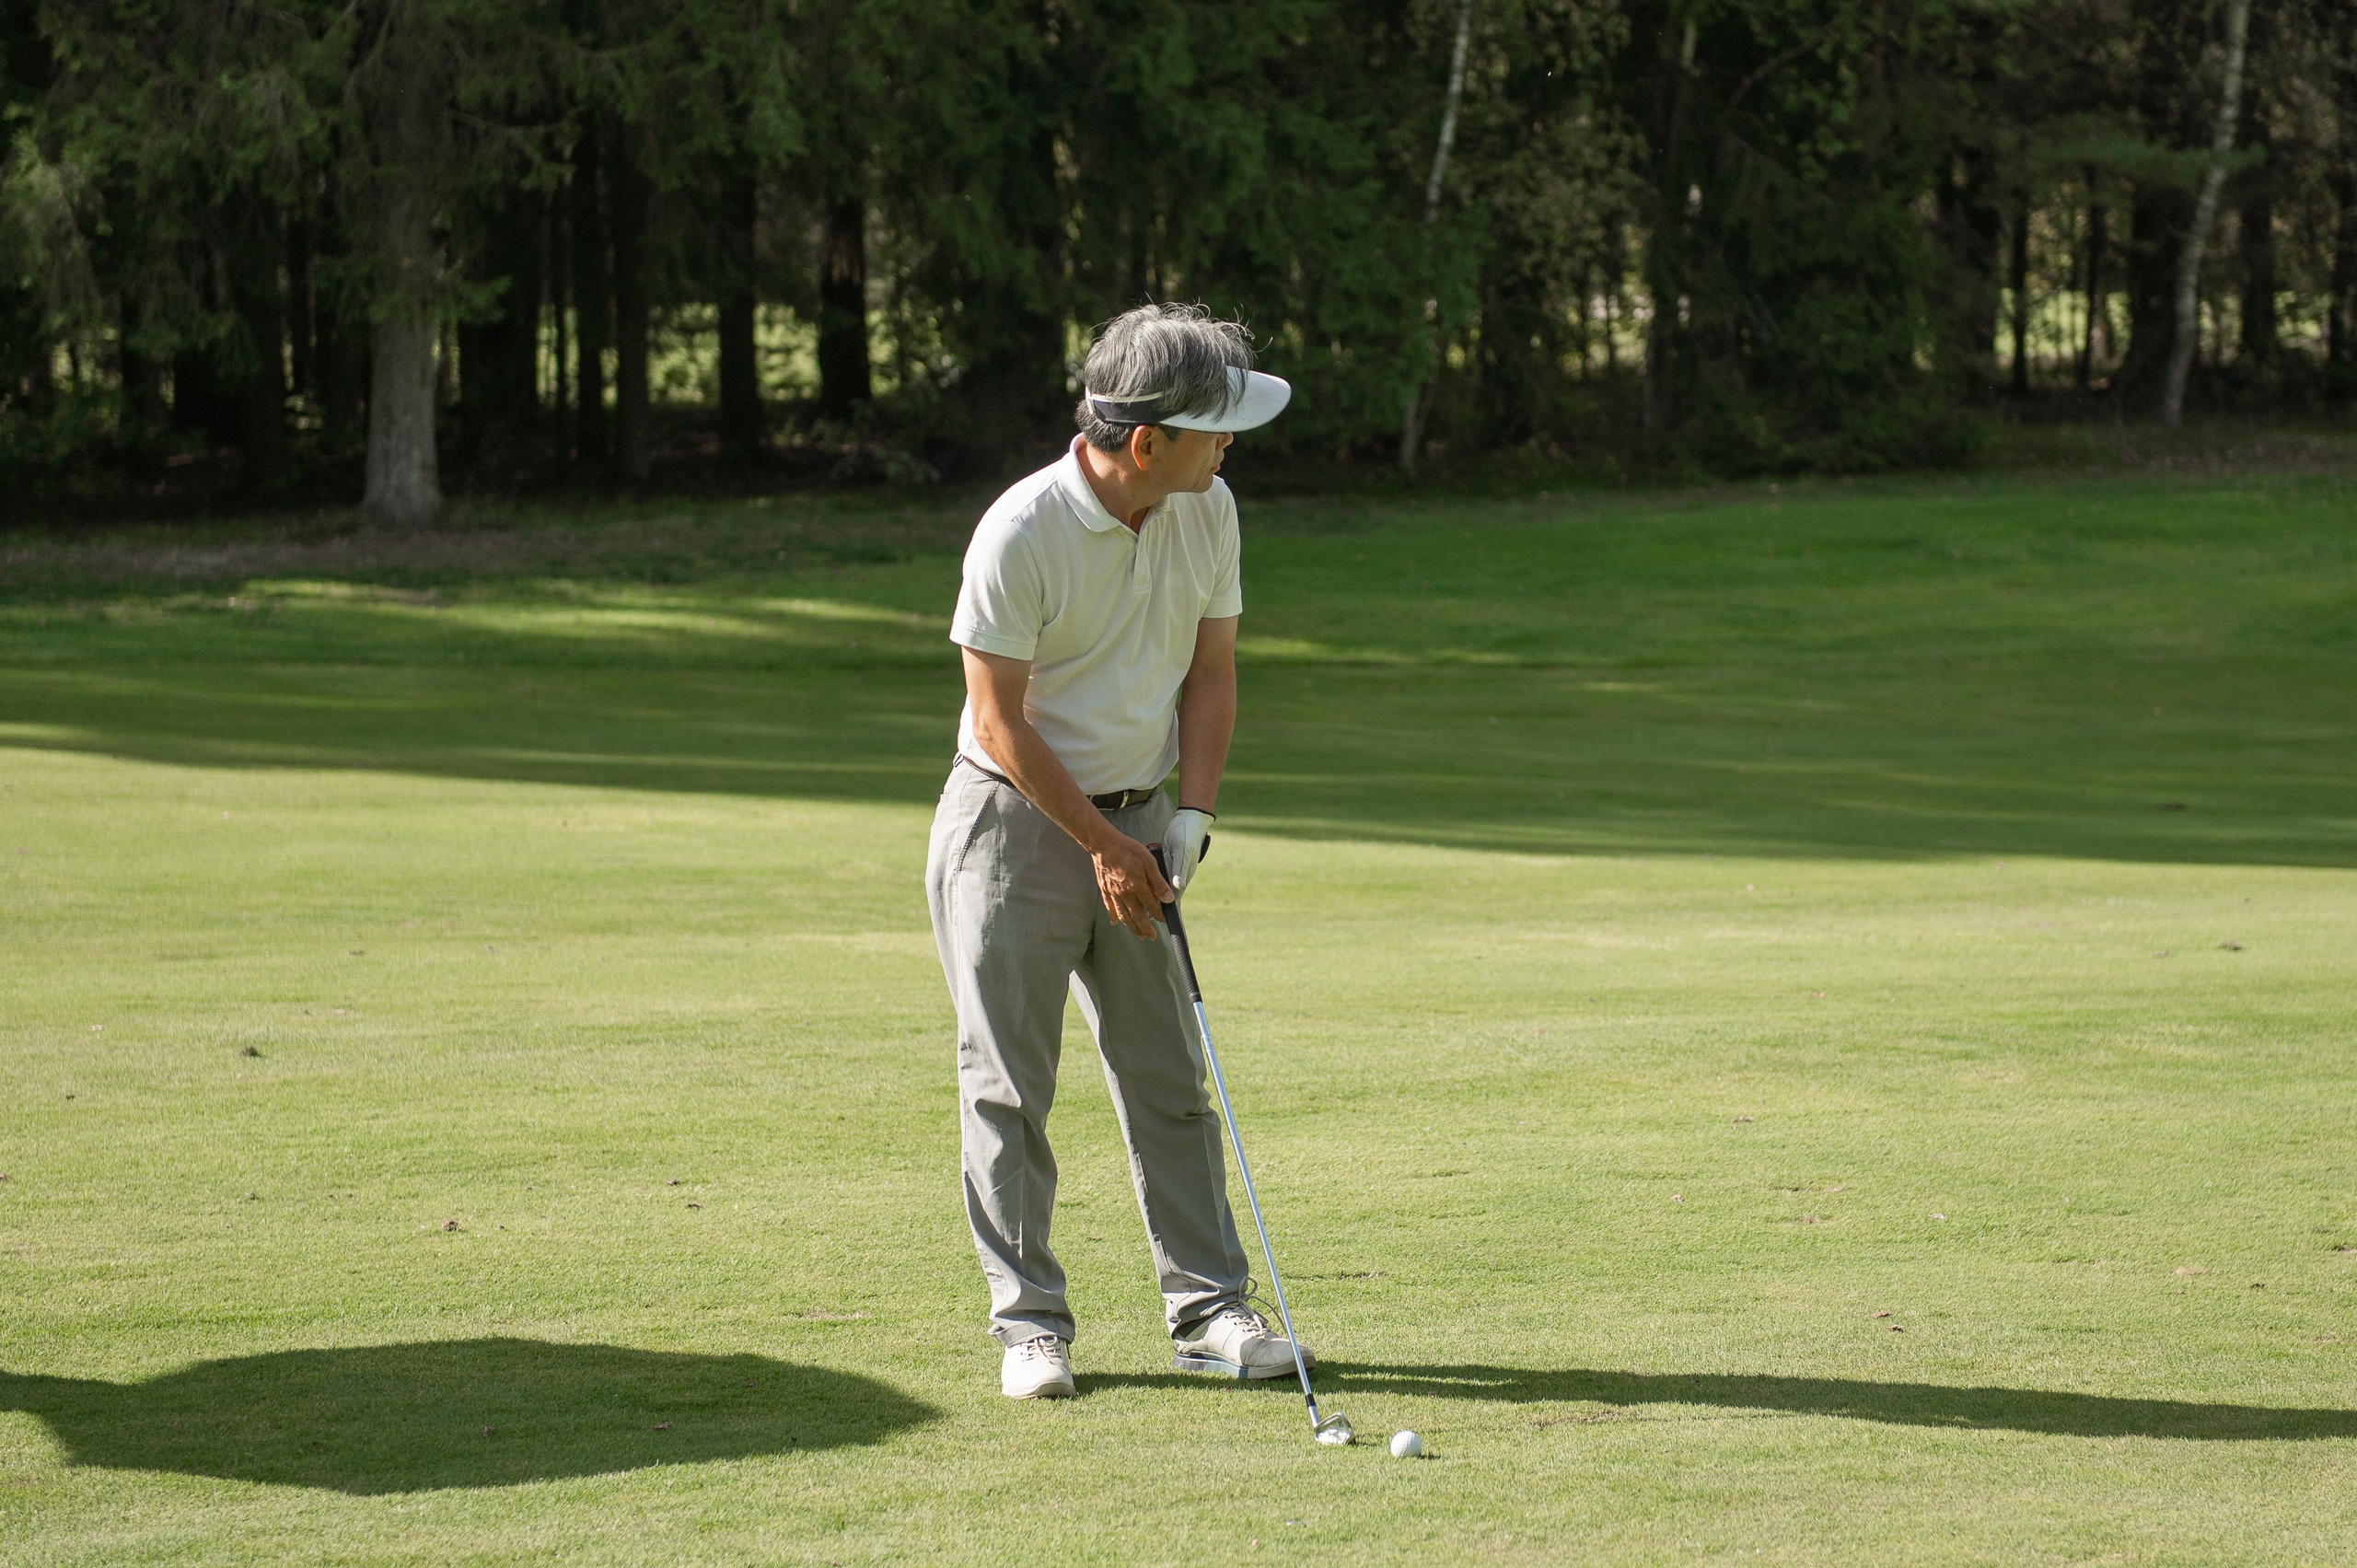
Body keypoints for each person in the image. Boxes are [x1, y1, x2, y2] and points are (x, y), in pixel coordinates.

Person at [923, 303, 1309, 1400]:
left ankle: (1211, 1311)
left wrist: (1189, 814)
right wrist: (1100, 842)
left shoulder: (1209, 508)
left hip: (1141, 820)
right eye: (1216, 427)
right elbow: (999, 720)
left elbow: (1212, 672)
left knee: (1166, 1073)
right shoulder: (1022, 529)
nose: (1229, 445)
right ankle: (1030, 1327)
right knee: (1007, 1084)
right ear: (1149, 441)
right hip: (1009, 825)